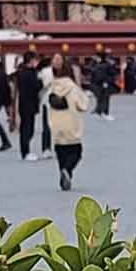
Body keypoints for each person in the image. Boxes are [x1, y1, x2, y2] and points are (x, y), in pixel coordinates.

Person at [45, 57, 92, 190]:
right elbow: (83, 105)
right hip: (71, 124)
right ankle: (67, 170)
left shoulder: (52, 86)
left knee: (61, 153)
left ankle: (64, 174)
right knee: (76, 152)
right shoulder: (72, 88)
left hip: (56, 125)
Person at [14, 54, 45, 161]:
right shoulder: (31, 73)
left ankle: (25, 150)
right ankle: (26, 151)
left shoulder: (20, 72)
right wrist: (41, 82)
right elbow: (36, 87)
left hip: (23, 102)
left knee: (25, 127)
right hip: (30, 103)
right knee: (28, 128)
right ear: (31, 61)